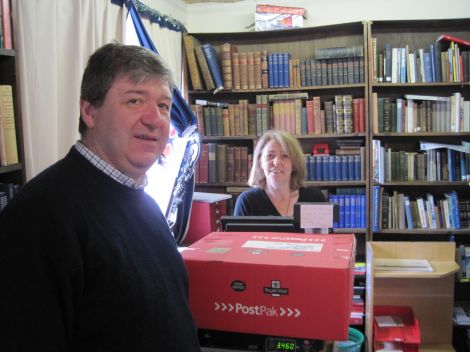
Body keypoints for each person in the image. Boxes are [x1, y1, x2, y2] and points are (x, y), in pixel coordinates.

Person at [0, 43, 201, 352]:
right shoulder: (37, 217)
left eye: (163, 105)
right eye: (135, 100)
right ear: (89, 111)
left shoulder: (143, 203)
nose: (155, 119)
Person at [234, 129, 326, 216]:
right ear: (260, 163)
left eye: (284, 156)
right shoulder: (247, 202)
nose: (276, 162)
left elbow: (325, 232)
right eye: (270, 155)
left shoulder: (314, 199)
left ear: (294, 163)